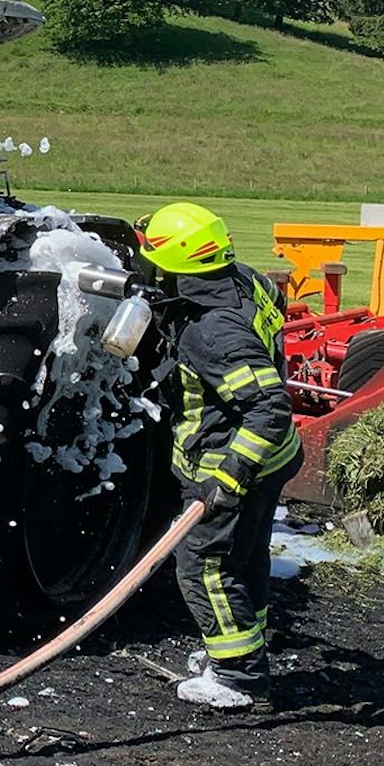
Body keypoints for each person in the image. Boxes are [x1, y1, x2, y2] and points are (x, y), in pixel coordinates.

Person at [137, 202, 303, 713]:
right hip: (279, 458)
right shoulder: (248, 280)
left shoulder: (210, 332)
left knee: (204, 566)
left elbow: (269, 405)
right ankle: (242, 649)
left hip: (231, 462)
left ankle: (238, 678)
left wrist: (229, 475)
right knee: (246, 555)